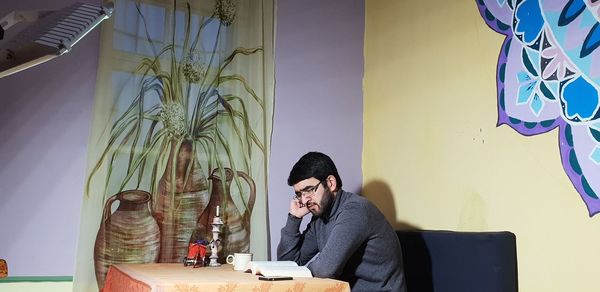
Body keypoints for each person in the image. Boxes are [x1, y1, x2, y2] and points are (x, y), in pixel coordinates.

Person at [277, 152, 407, 292]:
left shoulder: (356, 211)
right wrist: (294, 218)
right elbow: (288, 264)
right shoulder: (320, 217)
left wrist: (298, 274)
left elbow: (325, 268)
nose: (303, 200)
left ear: (331, 183)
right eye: (299, 194)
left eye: (309, 190)